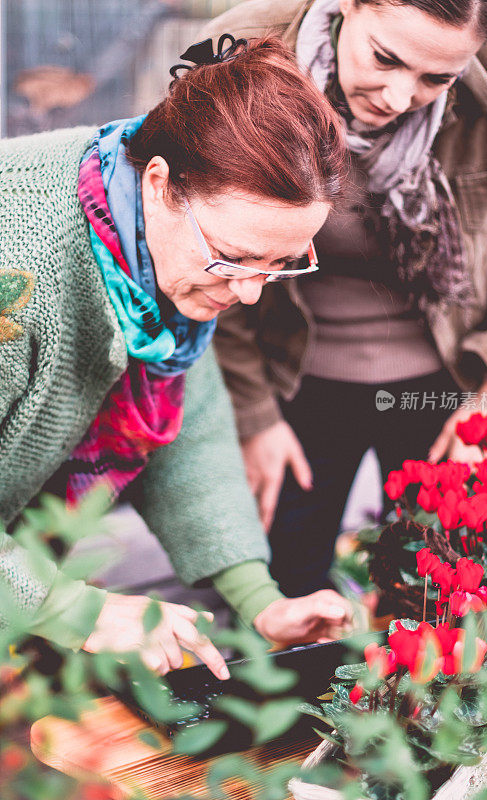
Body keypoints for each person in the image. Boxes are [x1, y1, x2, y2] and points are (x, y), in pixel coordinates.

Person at [0, 35, 354, 676]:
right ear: (161, 183)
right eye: (236, 257)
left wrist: (261, 599)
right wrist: (73, 610)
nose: (249, 292)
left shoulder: (144, 240)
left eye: (282, 265)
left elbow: (191, 426)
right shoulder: (17, 256)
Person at [201, 1, 487, 596]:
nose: (399, 97)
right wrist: (250, 415)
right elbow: (206, 252)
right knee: (286, 583)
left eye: (439, 78)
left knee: (438, 588)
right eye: (385, 58)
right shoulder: (237, 54)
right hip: (291, 378)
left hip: (445, 383)